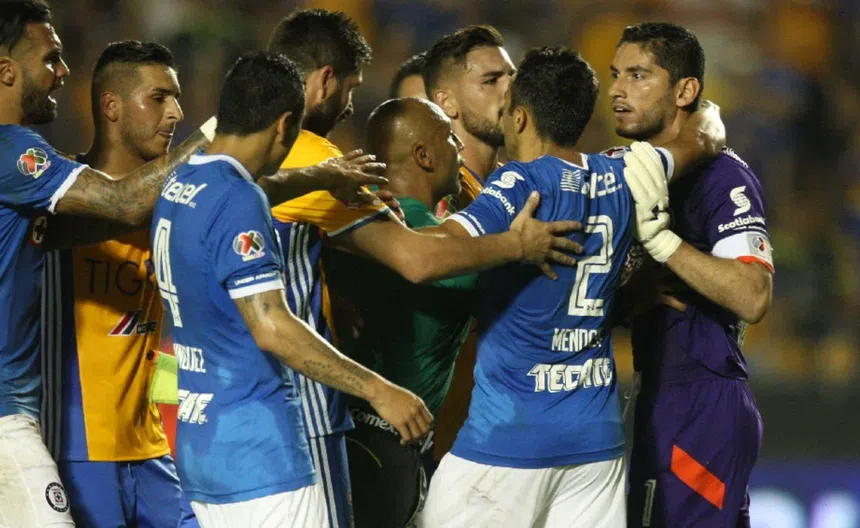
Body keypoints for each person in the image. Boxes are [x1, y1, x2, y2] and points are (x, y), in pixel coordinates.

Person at [266, 11, 582, 527]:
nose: (508, 92)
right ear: (424, 153)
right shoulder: (406, 225)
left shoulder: (398, 217)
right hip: (379, 434)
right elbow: (421, 260)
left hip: (395, 437)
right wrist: (525, 246)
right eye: (492, 79)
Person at [417, 46, 724, 528]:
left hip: (506, 443)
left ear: (519, 117)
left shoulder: (519, 182)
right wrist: (710, 111)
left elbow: (429, 255)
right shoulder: (623, 174)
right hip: (595, 445)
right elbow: (704, 137)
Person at [149, 51, 435, 527]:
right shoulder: (238, 200)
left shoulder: (183, 182)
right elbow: (271, 326)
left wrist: (323, 176)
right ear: (285, 126)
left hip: (203, 450)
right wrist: (377, 389)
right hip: (261, 457)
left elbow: (254, 191)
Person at [0, 3, 212, 524]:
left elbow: (163, 331)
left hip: (148, 443)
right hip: (60, 439)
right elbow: (123, 203)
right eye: (50, 58)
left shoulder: (63, 205)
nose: (62, 70)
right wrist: (222, 133)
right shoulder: (31, 170)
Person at [609, 23, 771, 527]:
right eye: (615, 75)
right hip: (662, 394)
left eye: (638, 75)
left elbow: (753, 294)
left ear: (685, 91)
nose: (617, 90)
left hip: (700, 402)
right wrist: (629, 293)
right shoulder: (628, 169)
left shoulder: (722, 176)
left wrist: (665, 245)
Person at [324, 98, 474, 528]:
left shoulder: (351, 223)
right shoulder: (436, 245)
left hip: (347, 435)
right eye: (450, 137)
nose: (459, 146)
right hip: (387, 449)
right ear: (424, 156)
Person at [421, 24, 516, 462]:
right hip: (443, 436)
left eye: (512, 77)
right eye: (491, 81)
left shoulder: (516, 186)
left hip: (504, 430)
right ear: (447, 103)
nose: (510, 91)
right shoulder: (438, 197)